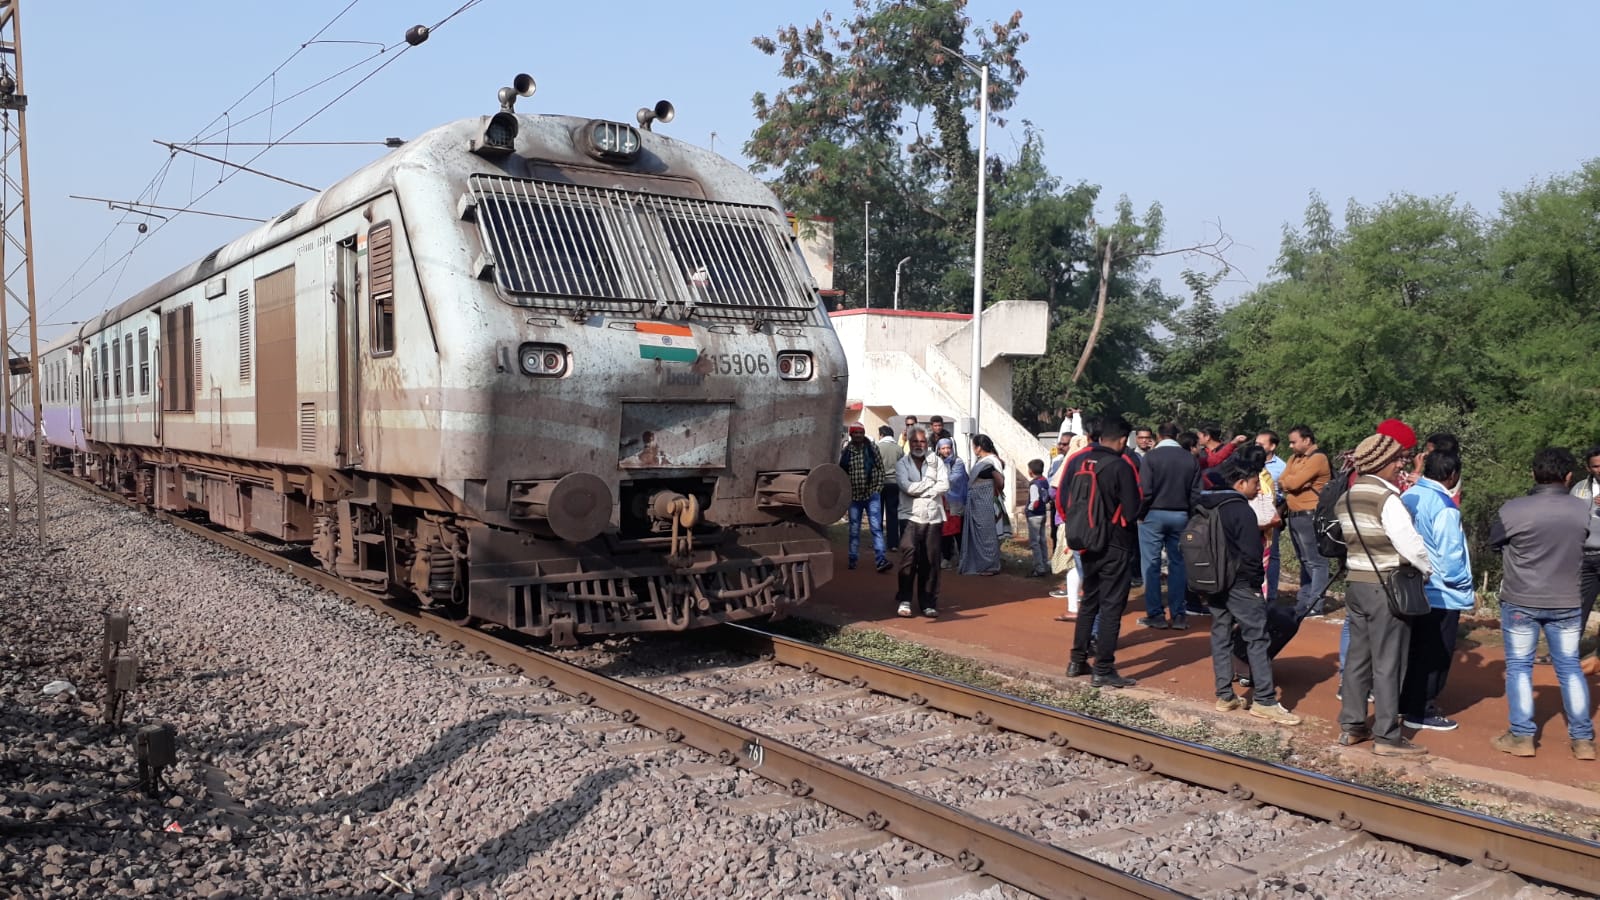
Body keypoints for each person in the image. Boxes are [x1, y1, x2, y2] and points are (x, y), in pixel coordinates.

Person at [1488, 448, 1595, 760]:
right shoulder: (1582, 509)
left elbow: (1494, 540)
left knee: (1520, 667)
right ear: (1569, 477)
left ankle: (1521, 736)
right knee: (1570, 667)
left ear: (1534, 474)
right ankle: (1583, 740)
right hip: (1567, 601)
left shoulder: (1513, 509)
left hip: (1521, 599)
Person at [1335, 433, 1433, 757]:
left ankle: (1351, 726)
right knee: (1389, 662)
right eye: (1397, 460)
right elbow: (1409, 544)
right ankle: (1387, 737)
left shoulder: (1347, 496)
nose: (1400, 465)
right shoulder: (1387, 498)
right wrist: (1427, 570)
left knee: (1357, 660)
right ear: (1383, 463)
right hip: (1387, 586)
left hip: (1357, 585)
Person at [1202, 455, 1302, 725]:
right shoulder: (1241, 510)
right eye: (1255, 483)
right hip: (1241, 583)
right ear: (1241, 482)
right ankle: (1265, 701)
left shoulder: (1205, 505)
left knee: (1220, 634)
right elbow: (1252, 552)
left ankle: (1225, 695)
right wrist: (1257, 583)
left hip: (1212, 581)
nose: (1258, 489)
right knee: (1257, 638)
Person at [1064, 415, 1143, 688]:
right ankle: (1104, 668)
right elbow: (1132, 510)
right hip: (1115, 543)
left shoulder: (1079, 461)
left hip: (1086, 541)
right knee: (1111, 606)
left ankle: (1076, 661)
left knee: (1090, 602)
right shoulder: (1120, 466)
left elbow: (1064, 499)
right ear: (1122, 440)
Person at [1398, 450, 1472, 732]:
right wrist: (1463, 585)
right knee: (1436, 654)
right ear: (1452, 475)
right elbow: (1451, 555)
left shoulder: (1409, 496)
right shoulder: (1446, 507)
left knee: (1414, 649)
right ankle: (1422, 709)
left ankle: (1405, 703)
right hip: (1442, 590)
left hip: (1413, 585)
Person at [1136, 422, 1200, 629]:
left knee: (1151, 565)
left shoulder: (1151, 457)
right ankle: (1179, 614)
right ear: (1176, 435)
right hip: (1181, 515)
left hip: (1153, 514)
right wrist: (1189, 514)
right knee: (1178, 564)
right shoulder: (1189, 458)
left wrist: (1141, 514)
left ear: (1158, 435)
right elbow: (1196, 492)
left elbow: (1145, 490)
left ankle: (1156, 614)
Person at [895, 427, 949, 618]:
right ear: (909, 442)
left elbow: (945, 484)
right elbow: (907, 487)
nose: (919, 445)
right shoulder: (902, 464)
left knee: (931, 560)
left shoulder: (936, 461)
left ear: (927, 443)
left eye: (922, 442)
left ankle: (928, 602)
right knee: (909, 556)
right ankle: (905, 599)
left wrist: (926, 490)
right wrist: (930, 483)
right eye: (915, 441)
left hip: (933, 517)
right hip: (910, 516)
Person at [1280, 425, 1333, 617]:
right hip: (1295, 515)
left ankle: (1315, 605)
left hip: (1310, 514)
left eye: (1294, 441)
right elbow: (1283, 480)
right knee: (1304, 560)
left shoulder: (1318, 458)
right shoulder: (1294, 458)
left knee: (1316, 561)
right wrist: (1294, 483)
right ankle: (1304, 602)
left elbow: (1291, 482)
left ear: (1307, 440)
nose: (1291, 445)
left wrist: (1293, 483)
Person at [839, 424, 889, 572]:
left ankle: (881, 560)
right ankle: (852, 559)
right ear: (851, 435)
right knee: (854, 530)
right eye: (856, 433)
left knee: (876, 528)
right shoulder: (847, 451)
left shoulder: (872, 448)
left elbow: (881, 469)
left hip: (871, 495)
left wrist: (877, 489)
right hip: (854, 497)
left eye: (861, 432)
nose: (859, 435)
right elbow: (842, 473)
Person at [1569, 445, 1600, 674]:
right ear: (1588, 467)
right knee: (1577, 607)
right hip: (1585, 556)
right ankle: (1566, 653)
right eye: (1596, 465)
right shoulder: (1580, 488)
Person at [960, 434, 1006, 576]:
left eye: (974, 446)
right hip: (977, 502)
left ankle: (991, 565)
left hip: (985, 502)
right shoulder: (983, 461)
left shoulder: (991, 461)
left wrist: (988, 492)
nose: (973, 449)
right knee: (979, 533)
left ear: (979, 447)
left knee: (987, 533)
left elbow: (1000, 482)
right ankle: (981, 563)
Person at [1257, 430, 1287, 601]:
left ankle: (1271, 595)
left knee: (1272, 555)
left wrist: (1279, 515)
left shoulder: (1282, 467)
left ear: (1272, 446)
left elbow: (1286, 495)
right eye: (1256, 444)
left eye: (1261, 444)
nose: (1258, 447)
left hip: (1272, 517)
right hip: (1253, 517)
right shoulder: (1250, 464)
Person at [937, 438, 968, 568]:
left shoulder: (958, 462)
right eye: (943, 448)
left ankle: (962, 558)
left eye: (948, 448)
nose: (946, 450)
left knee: (957, 530)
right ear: (938, 449)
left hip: (956, 502)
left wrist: (938, 483)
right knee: (944, 531)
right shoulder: (937, 462)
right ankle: (946, 557)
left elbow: (954, 479)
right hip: (941, 501)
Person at [876, 425, 904, 550]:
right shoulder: (899, 449)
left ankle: (879, 542)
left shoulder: (876, 448)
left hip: (879, 483)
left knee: (878, 514)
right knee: (893, 514)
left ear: (881, 434)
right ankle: (893, 543)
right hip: (894, 484)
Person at [1025, 458, 1051, 577]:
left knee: (1035, 542)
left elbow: (1034, 502)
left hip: (1034, 516)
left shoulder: (1034, 484)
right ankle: (1045, 564)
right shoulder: (1044, 481)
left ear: (1031, 471)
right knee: (1042, 541)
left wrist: (1028, 508)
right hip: (1043, 513)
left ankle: (1039, 568)